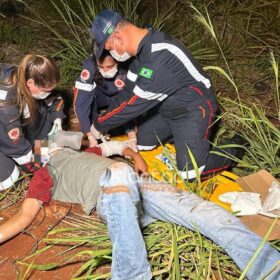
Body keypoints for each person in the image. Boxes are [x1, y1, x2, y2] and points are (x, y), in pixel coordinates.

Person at [0, 139, 279, 280]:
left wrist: (135, 157)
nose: (51, 146)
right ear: (38, 157)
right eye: (45, 146)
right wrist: (124, 165)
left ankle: (270, 270)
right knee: (119, 171)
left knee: (208, 213)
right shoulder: (44, 175)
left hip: (145, 188)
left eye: (52, 143)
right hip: (110, 197)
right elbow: (24, 216)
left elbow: (118, 145)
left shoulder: (87, 153)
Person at [90, 10, 247, 181]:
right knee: (141, 144)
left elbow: (134, 104)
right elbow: (128, 92)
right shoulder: (139, 55)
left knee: (191, 173)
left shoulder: (159, 56)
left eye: (110, 48)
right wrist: (104, 119)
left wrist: (99, 125)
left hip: (194, 108)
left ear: (117, 37)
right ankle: (181, 139)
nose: (112, 53)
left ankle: (239, 143)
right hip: (166, 108)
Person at [0, 55, 64, 190]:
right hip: (4, 127)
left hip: (7, 124)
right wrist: (35, 165)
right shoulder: (7, 107)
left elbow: (56, 99)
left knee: (44, 112)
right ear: (31, 83)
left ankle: (41, 148)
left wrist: (58, 119)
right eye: (47, 90)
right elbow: (16, 147)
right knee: (11, 181)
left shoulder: (23, 73)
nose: (49, 93)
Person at [74, 49, 137, 150]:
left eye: (110, 66)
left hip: (119, 93)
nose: (105, 71)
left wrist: (131, 134)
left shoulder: (129, 64)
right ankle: (95, 128)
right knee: (89, 105)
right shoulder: (90, 65)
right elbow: (81, 102)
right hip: (100, 93)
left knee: (123, 105)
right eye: (101, 67)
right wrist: (89, 134)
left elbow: (131, 98)